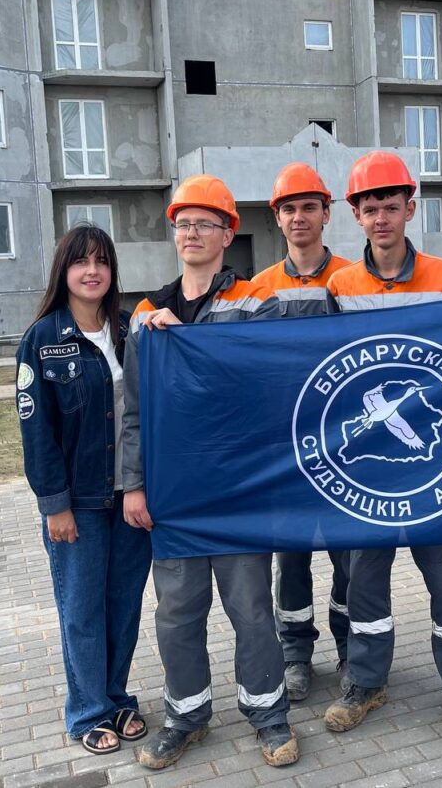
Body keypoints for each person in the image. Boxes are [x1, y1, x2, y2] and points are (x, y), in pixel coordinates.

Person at [120, 174, 299, 770]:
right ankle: (186, 717)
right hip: (174, 497)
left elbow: (264, 389)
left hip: (238, 491)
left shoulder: (257, 303)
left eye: (205, 223)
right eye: (183, 224)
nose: (191, 233)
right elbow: (134, 411)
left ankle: (268, 714)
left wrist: (190, 344)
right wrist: (134, 484)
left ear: (228, 234)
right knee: (176, 613)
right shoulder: (146, 316)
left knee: (251, 610)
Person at [322, 151, 442, 740]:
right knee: (365, 582)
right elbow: (330, 374)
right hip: (370, 474)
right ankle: (365, 682)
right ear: (356, 215)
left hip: (437, 468)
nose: (381, 218)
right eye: (370, 209)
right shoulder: (340, 286)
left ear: (410, 209)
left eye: (391, 207)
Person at [16, 224, 152, 756]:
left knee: (123, 606)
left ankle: (116, 698)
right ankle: (88, 711)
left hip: (130, 498)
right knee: (82, 610)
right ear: (64, 270)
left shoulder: (129, 329)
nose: (92, 271)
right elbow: (37, 433)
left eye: (101, 261)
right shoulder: (42, 340)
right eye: (81, 262)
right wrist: (55, 505)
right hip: (79, 504)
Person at [252, 163, 353, 701]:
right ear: (277, 217)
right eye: (288, 208)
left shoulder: (352, 280)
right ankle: (295, 655)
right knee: (290, 562)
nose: (299, 217)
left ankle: (350, 648)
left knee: (348, 558)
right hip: (286, 452)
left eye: (308, 207)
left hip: (343, 447)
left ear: (326, 213)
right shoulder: (258, 289)